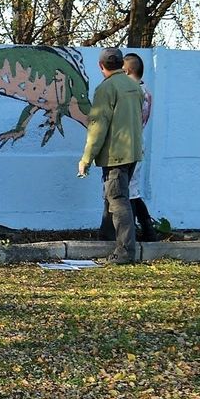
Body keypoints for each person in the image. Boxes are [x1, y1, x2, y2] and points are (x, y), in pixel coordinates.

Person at [79, 47, 144, 264]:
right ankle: (106, 238)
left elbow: (98, 126)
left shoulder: (106, 89)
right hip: (133, 151)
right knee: (113, 196)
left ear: (101, 66)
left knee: (117, 201)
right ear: (121, 65)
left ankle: (125, 252)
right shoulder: (134, 86)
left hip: (115, 154)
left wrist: (86, 159)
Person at [124, 52, 157, 242]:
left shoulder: (134, 92)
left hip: (130, 143)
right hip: (138, 142)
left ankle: (143, 229)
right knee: (132, 189)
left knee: (130, 191)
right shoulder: (146, 92)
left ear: (127, 70)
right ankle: (147, 228)